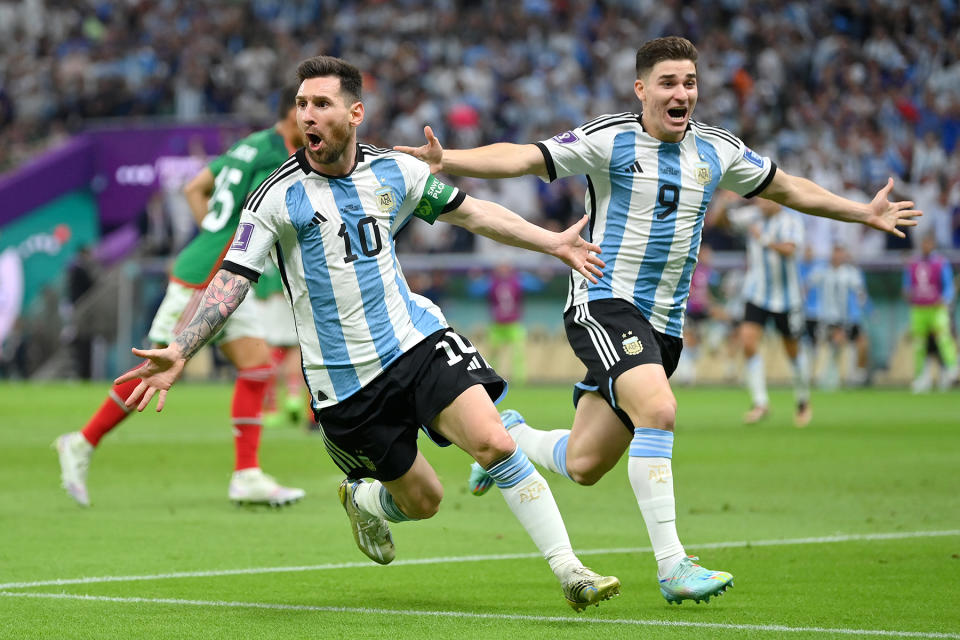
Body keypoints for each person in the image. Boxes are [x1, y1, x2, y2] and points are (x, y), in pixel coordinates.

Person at [396, 35, 920, 604]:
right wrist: (448, 160)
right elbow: (525, 156)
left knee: (584, 462)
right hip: (606, 301)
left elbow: (788, 188)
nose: (681, 93)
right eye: (669, 82)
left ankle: (514, 435)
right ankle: (673, 566)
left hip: (663, 327)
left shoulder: (716, 150)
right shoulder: (611, 139)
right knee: (660, 410)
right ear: (642, 89)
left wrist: (861, 212)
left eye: (690, 83)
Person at [115, 56, 620, 612]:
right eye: (302, 104)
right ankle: (368, 502)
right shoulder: (276, 198)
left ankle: (570, 570)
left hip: (414, 342)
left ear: (355, 113)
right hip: (345, 385)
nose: (307, 115)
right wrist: (183, 348)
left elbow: (473, 214)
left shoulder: (393, 173)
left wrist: (552, 242)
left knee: (496, 441)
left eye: (321, 104)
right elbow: (231, 279)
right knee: (424, 501)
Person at [54, 88, 307, 508]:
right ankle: (81, 442)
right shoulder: (275, 156)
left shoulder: (251, 145)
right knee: (154, 368)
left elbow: (195, 187)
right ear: (291, 114)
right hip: (206, 276)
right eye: (308, 112)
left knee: (256, 368)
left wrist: (213, 233)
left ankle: (246, 475)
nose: (314, 124)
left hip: (223, 271)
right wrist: (222, 243)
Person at [726, 197, 812, 426]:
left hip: (787, 298)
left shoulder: (791, 221)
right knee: (748, 343)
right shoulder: (751, 216)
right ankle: (760, 402)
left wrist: (763, 240)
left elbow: (790, 249)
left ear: (778, 200)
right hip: (756, 293)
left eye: (767, 198)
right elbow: (723, 221)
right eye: (760, 198)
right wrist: (724, 201)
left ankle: (803, 400)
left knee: (792, 351)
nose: (762, 202)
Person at [252, 260, 311, 429]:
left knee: (270, 353)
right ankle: (293, 394)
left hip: (269, 300)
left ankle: (272, 407)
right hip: (291, 296)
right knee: (294, 349)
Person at [904, 233, 958, 392]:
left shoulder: (941, 263)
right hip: (919, 309)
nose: (926, 246)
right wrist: (907, 293)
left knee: (943, 339)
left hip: (936, 308)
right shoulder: (913, 263)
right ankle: (921, 377)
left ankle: (951, 370)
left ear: (933, 244)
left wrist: (946, 299)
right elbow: (907, 284)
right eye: (924, 243)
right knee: (919, 344)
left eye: (929, 243)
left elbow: (949, 286)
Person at [816, 245, 870, 389]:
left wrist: (865, 306)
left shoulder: (850, 273)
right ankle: (830, 376)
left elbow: (861, 293)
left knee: (862, 343)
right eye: (836, 253)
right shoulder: (823, 271)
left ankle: (858, 376)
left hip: (848, 318)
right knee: (837, 341)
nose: (838, 256)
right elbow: (807, 286)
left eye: (841, 253)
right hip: (830, 318)